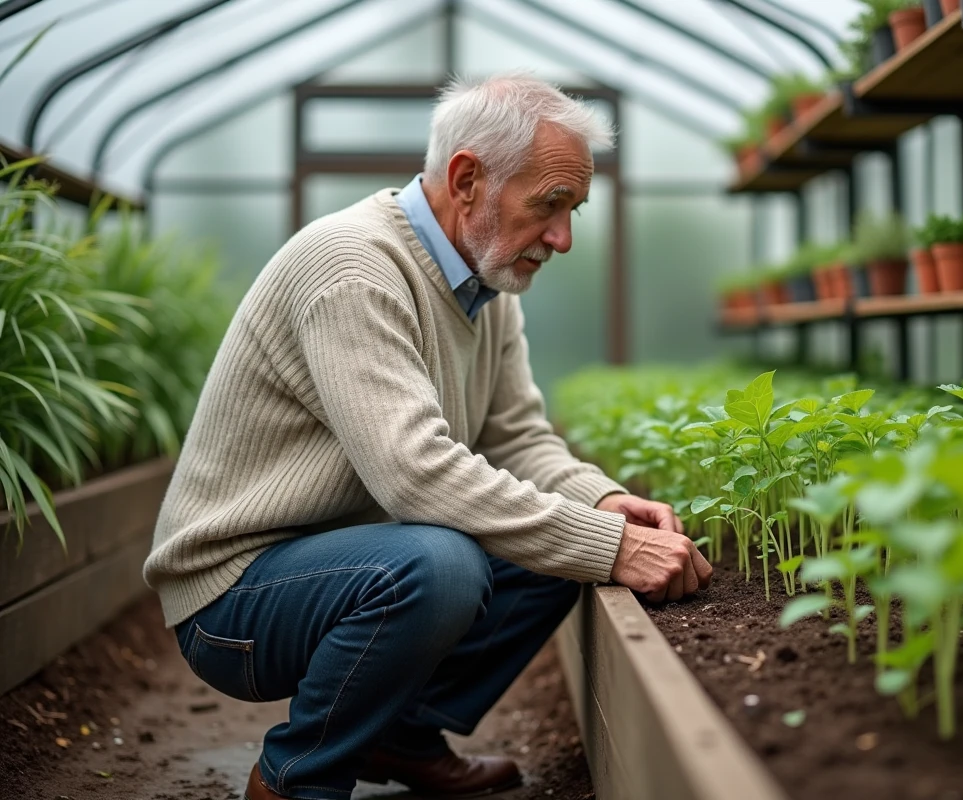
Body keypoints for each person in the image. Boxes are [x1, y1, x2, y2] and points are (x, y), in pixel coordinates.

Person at [143, 73, 713, 800]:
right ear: (468, 179)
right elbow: (414, 473)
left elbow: (518, 441)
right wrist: (611, 547)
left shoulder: (488, 287)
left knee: (560, 549)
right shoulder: (352, 267)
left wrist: (603, 507)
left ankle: (399, 735)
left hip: (346, 562)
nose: (564, 238)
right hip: (236, 597)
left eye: (574, 210)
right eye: (550, 205)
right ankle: (295, 779)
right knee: (440, 566)